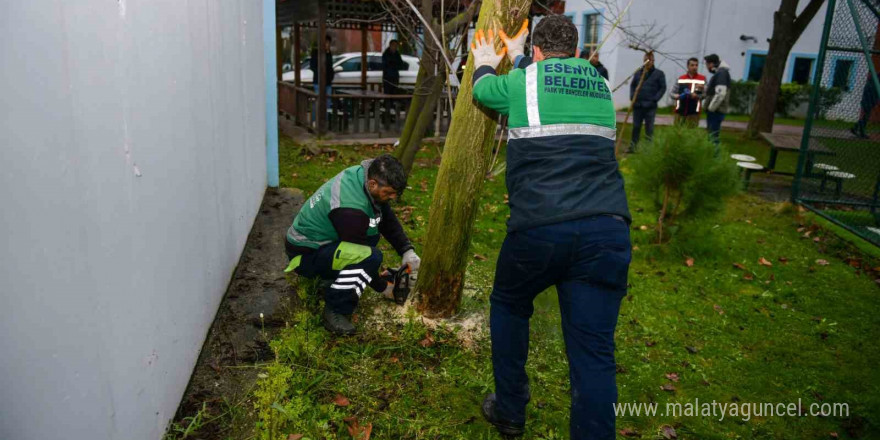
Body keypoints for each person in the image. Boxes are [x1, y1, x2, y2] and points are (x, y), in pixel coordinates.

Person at [470, 15, 632, 440]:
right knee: (594, 353)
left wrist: (489, 60)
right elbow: (548, 80)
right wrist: (523, 54)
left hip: (540, 229)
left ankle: (509, 410)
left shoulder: (523, 82)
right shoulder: (599, 83)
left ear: (538, 52)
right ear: (577, 52)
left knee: (509, 302)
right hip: (606, 230)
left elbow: (485, 91)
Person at [283, 155, 421, 336]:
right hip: (305, 255)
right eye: (389, 193)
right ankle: (336, 310)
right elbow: (361, 254)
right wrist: (383, 287)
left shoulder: (362, 176)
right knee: (370, 256)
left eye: (395, 193)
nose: (393, 198)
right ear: (372, 184)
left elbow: (384, 215)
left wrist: (406, 250)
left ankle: (332, 277)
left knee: (368, 250)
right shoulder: (350, 210)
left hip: (324, 244)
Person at [628, 52, 667, 150]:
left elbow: (663, 88)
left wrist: (655, 99)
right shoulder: (638, 73)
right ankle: (633, 146)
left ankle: (648, 148)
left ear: (653, 61)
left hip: (650, 105)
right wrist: (633, 97)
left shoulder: (659, 74)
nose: (648, 63)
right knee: (636, 126)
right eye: (646, 61)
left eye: (649, 61)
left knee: (649, 128)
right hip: (638, 105)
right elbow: (633, 85)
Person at [703, 53, 731, 149]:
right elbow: (714, 91)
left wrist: (711, 108)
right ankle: (712, 154)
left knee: (713, 136)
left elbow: (720, 93)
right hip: (716, 111)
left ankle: (714, 156)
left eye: (707, 65)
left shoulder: (721, 73)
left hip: (716, 111)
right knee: (712, 135)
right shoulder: (720, 73)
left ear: (711, 64)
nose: (707, 67)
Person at [669, 57, 706, 127]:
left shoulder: (702, 79)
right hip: (680, 111)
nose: (695, 67)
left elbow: (706, 94)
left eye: (696, 65)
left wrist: (697, 96)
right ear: (688, 66)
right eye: (692, 65)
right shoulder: (681, 78)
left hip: (694, 112)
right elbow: (672, 93)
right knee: (678, 132)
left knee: (692, 133)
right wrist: (676, 96)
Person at [310, 35, 334, 113]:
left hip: (328, 83)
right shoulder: (315, 52)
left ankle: (326, 121)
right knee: (317, 102)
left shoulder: (329, 53)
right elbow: (312, 66)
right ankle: (315, 122)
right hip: (318, 81)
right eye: (325, 42)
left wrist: (331, 76)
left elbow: (330, 66)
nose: (327, 44)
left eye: (328, 43)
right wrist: (319, 73)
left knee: (328, 103)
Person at [851, 73, 879, 139]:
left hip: (867, 100)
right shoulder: (873, 84)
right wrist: (875, 102)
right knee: (865, 116)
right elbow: (874, 94)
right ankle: (860, 131)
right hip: (869, 100)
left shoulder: (871, 82)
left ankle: (857, 128)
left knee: (864, 115)